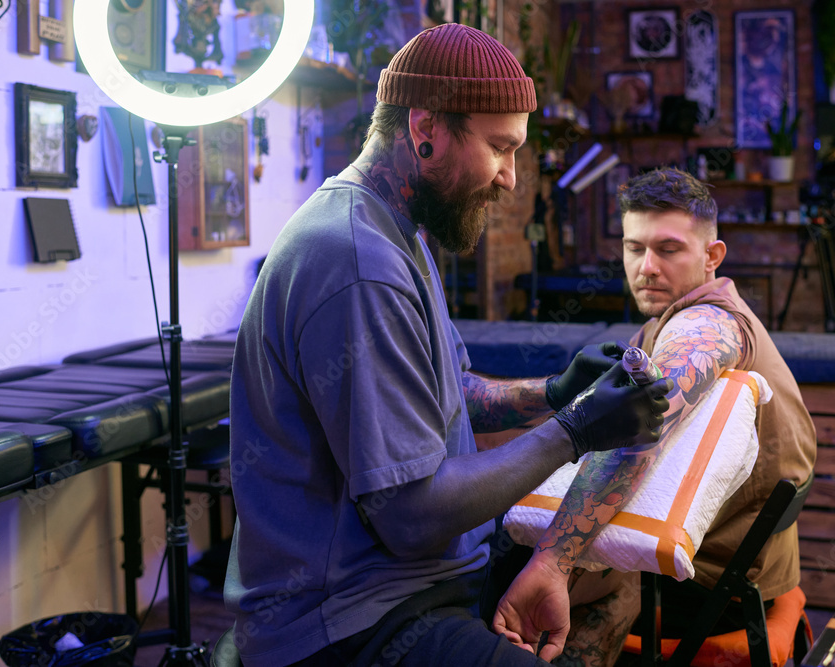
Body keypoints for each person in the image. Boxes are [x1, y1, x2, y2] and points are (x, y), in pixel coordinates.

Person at [224, 23, 671, 667]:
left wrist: (555, 391)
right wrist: (574, 430)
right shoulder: (357, 259)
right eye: (499, 147)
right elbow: (411, 519)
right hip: (349, 621)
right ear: (425, 128)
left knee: (611, 582)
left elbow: (452, 392)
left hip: (415, 585)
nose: (512, 179)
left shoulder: (398, 231)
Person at [494, 168, 817, 667]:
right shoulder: (662, 326)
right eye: (633, 247)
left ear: (712, 257)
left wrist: (553, 561)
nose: (646, 267)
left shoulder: (708, 323)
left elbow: (638, 425)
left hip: (711, 589)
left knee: (498, 568)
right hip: (728, 572)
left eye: (668, 250)